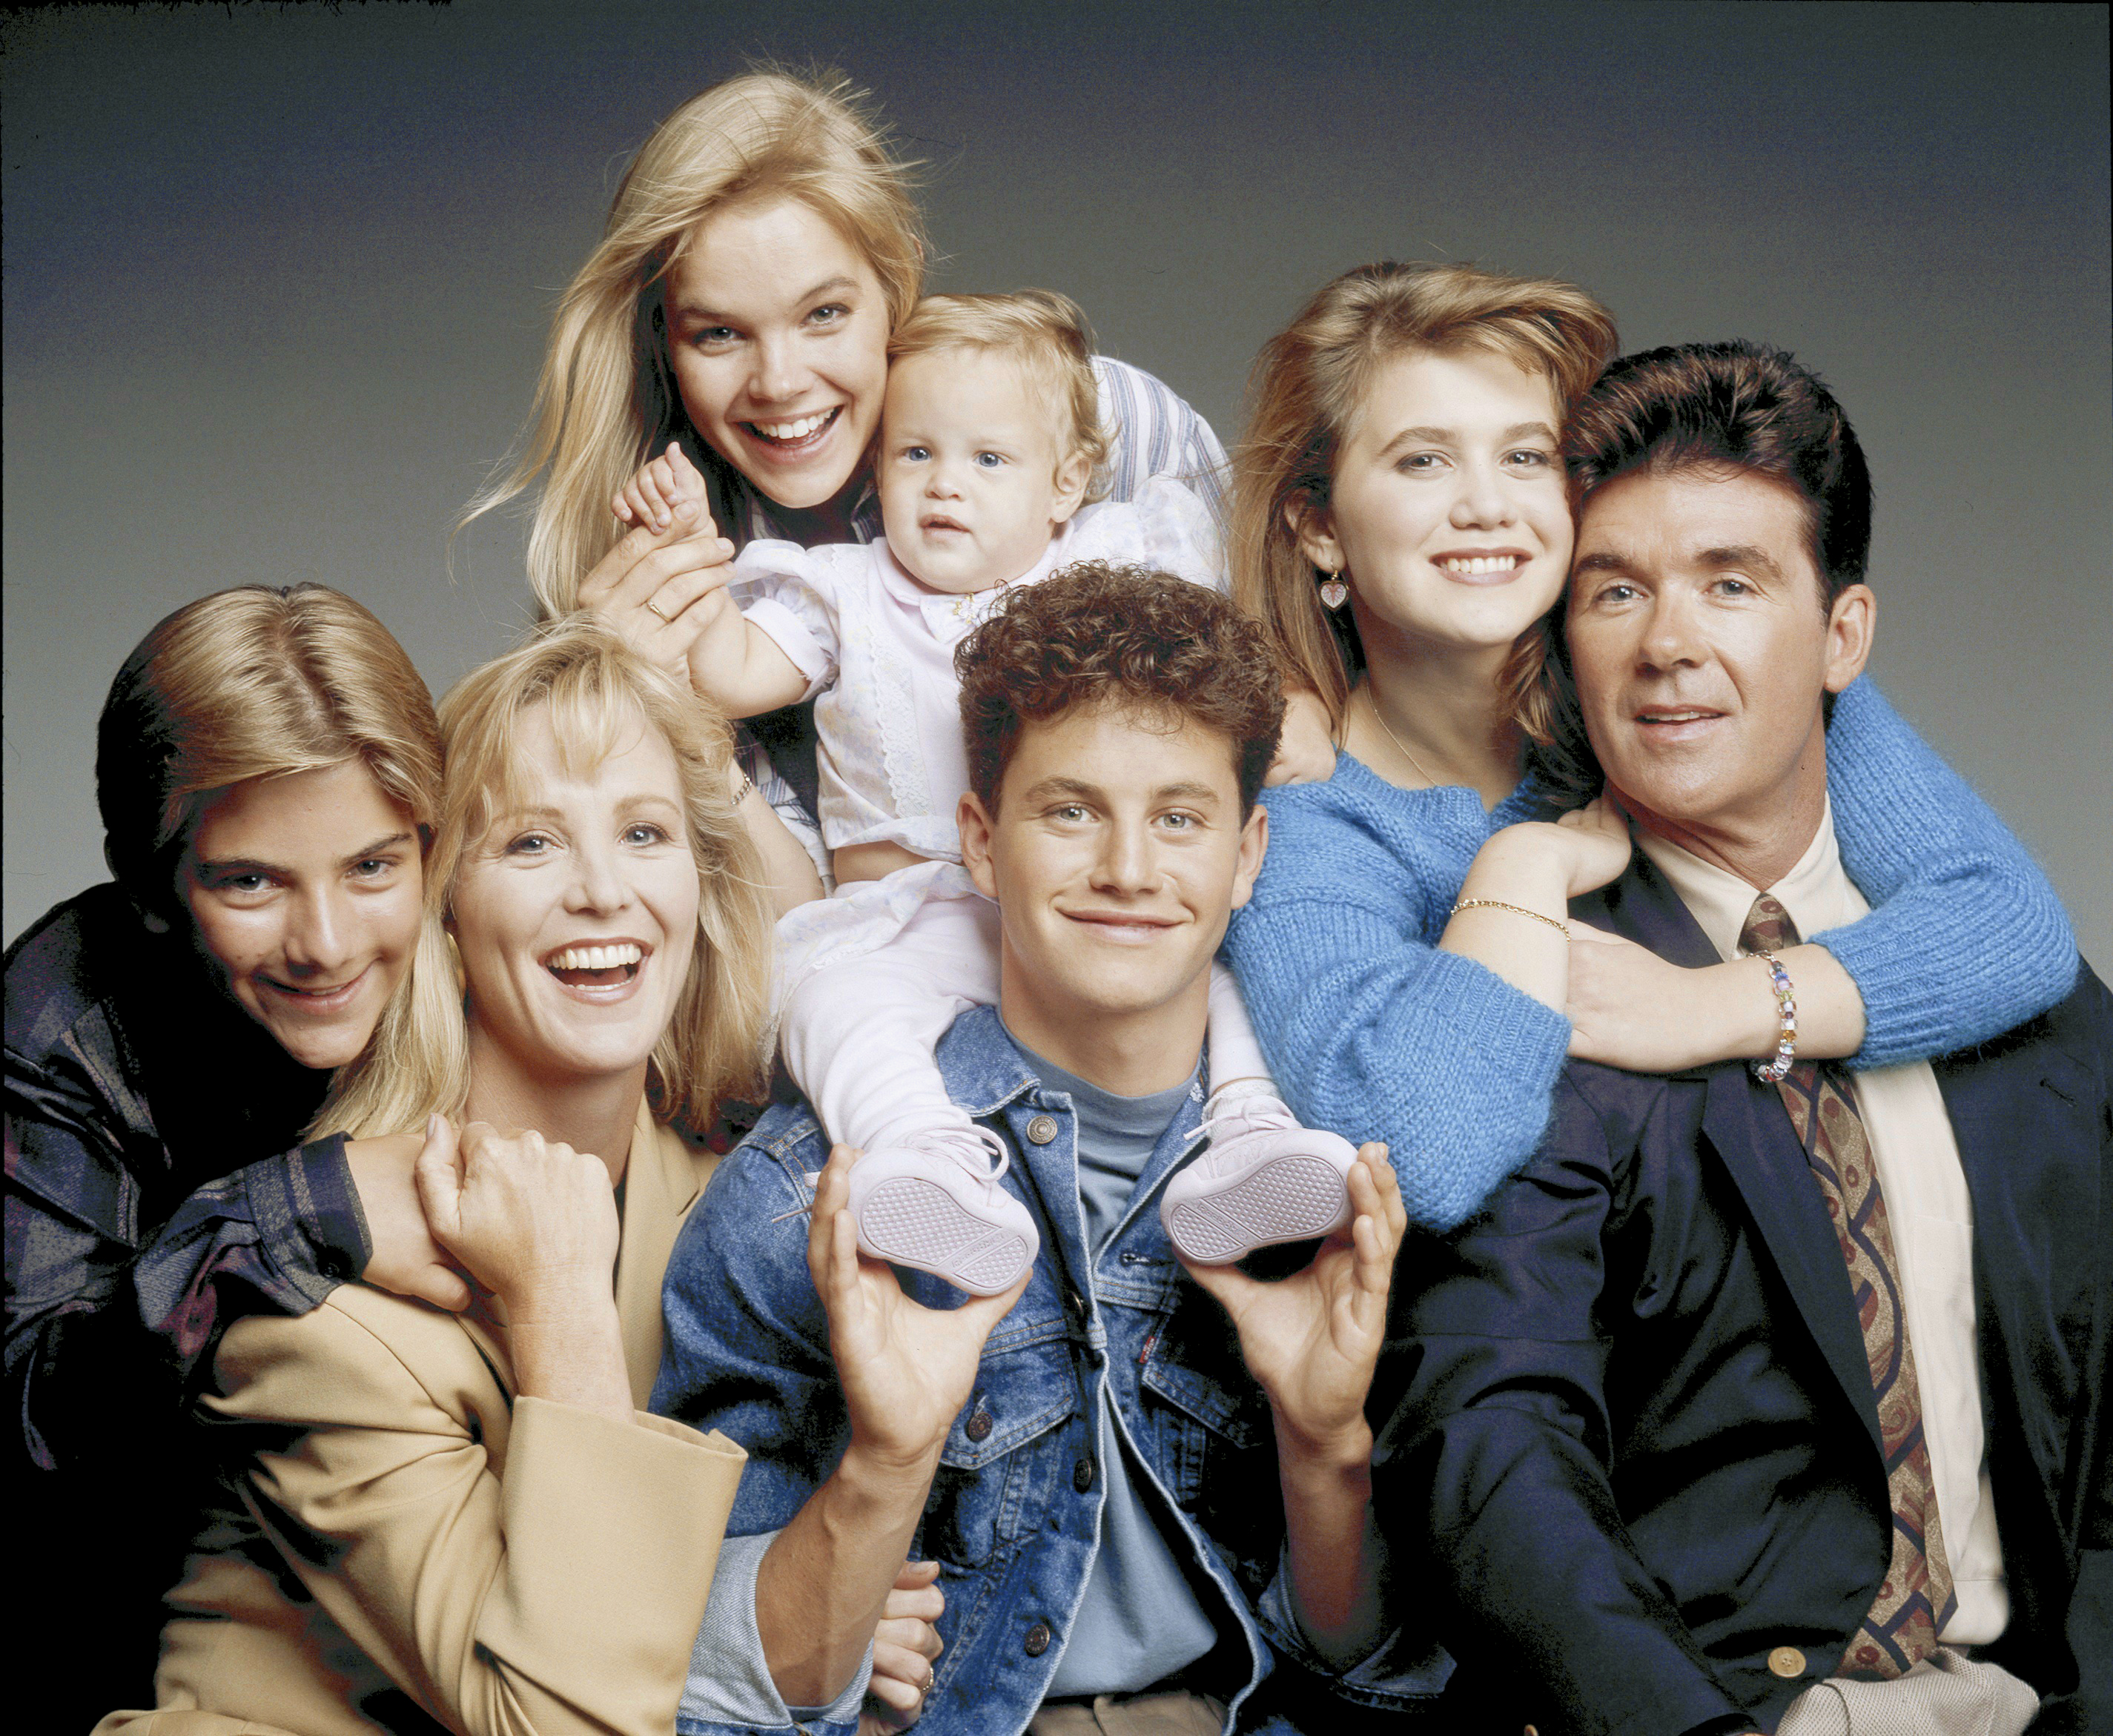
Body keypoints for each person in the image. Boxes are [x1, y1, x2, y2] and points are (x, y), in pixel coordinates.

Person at [1375, 342, 2109, 1732]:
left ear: (1843, 635)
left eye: (1732, 581)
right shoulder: (1519, 993)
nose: (1667, 645)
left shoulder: (2022, 990)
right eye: (1616, 591)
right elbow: (1486, 1441)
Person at [92, 619, 936, 1735]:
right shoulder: (316, 1303)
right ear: (440, 913)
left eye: (644, 832)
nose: (601, 891)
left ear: (700, 882)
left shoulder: (751, 1207)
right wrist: (761, 1621)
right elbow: (561, 1723)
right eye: (531, 844)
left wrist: (822, 1573)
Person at [655, 564, 1423, 1736]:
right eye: (1069, 810)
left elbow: (1378, 1679)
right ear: (978, 839)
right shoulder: (806, 1194)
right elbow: (701, 1682)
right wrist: (885, 1461)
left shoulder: (1331, 1192)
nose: (1127, 868)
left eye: (1179, 816)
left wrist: (1324, 1443)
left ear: (1248, 852)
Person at [1224, 262, 2080, 1234]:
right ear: (1319, 524)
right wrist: (1524, 862)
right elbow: (1416, 1153)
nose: (1485, 507)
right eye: (1423, 460)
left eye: (1525, 456)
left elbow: (2005, 920)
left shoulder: (1669, 687)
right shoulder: (1302, 823)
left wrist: (1716, 1006)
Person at [629, 288, 1351, 1295]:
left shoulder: (1109, 559)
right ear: (878, 472)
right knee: (833, 1003)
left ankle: (1249, 1136)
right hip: (913, 916)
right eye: (916, 454)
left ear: (1065, 485)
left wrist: (1290, 706)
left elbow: (1212, 669)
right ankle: (920, 1157)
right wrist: (685, 573)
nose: (945, 487)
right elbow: (729, 677)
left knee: (1224, 980)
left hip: (1084, 898)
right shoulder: (843, 588)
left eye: (988, 460)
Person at [460, 68, 1229, 843]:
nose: (781, 382)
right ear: (663, 343)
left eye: (824, 313)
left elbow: (1280, 717)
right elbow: (788, 919)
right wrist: (653, 701)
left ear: (896, 282)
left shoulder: (1103, 422)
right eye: (719, 333)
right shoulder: (670, 579)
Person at [4, 584, 461, 1723]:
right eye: (251, 880)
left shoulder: (473, 943)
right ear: (157, 884)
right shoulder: (61, 1017)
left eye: (371, 867)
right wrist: (295, 1212)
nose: (326, 945)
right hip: (121, 1655)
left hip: (423, 1611)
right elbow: (30, 1432)